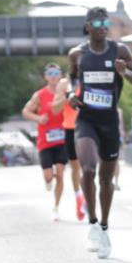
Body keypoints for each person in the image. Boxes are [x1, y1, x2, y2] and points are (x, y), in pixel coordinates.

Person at [66, 6, 132, 258]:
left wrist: (126, 72)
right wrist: (70, 94)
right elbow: (72, 79)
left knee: (106, 179)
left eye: (105, 22)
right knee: (87, 168)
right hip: (86, 118)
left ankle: (104, 227)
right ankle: (91, 224)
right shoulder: (77, 54)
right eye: (97, 23)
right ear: (88, 26)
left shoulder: (119, 50)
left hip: (109, 120)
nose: (102, 27)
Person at [22, 63, 69, 221]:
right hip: (45, 140)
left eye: (57, 73)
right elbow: (26, 111)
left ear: (61, 75)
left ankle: (56, 207)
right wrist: (38, 118)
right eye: (50, 73)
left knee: (61, 174)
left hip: (62, 139)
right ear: (46, 76)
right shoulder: (39, 95)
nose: (54, 76)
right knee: (49, 176)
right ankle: (48, 181)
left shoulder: (66, 93)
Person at [53, 76, 87, 221]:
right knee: (76, 167)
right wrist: (68, 96)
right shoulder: (64, 83)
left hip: (88, 126)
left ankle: (86, 198)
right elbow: (55, 109)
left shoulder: (90, 77)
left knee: (88, 165)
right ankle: (79, 196)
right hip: (71, 128)